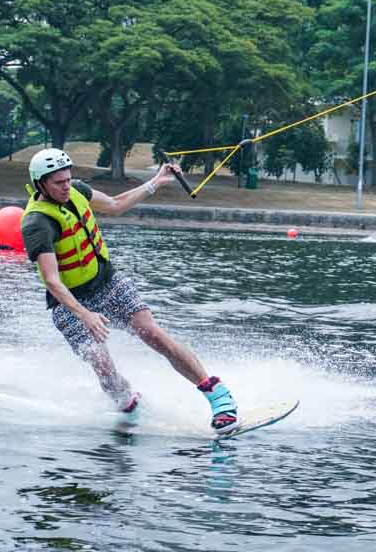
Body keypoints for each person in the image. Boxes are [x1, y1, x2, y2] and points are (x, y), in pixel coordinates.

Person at [20, 148, 238, 432]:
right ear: (40, 184)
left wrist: (154, 183)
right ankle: (128, 404)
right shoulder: (36, 223)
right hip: (69, 303)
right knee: (101, 363)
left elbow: (114, 204)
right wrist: (84, 314)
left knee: (153, 335)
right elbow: (52, 280)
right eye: (58, 183)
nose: (66, 187)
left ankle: (218, 396)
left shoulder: (77, 190)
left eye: (68, 179)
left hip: (107, 284)